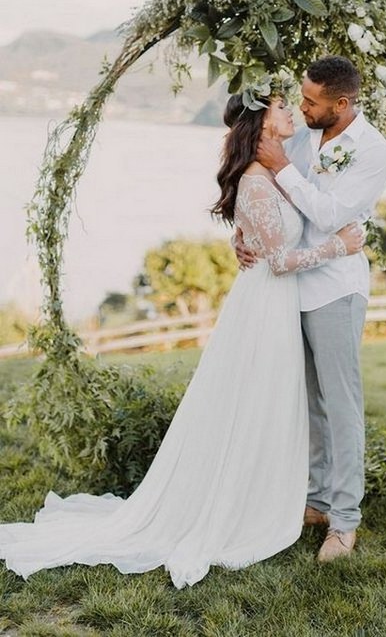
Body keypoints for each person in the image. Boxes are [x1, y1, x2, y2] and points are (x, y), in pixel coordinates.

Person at [0, 90, 364, 588]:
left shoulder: (277, 170)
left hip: (275, 304)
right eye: (281, 107)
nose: (291, 113)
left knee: (270, 404)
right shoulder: (259, 181)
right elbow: (279, 260)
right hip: (266, 304)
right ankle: (243, 504)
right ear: (260, 127)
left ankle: (269, 496)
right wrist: (338, 246)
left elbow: (273, 233)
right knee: (255, 403)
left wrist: (247, 236)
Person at [235, 56, 386, 562]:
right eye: (300, 99)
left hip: (334, 289)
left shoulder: (371, 152)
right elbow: (275, 204)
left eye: (311, 101)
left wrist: (283, 169)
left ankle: (344, 522)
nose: (302, 108)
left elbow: (328, 216)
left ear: (341, 105)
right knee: (310, 403)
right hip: (289, 287)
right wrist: (243, 236)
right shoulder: (304, 137)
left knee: (341, 404)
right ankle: (319, 499)